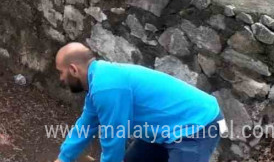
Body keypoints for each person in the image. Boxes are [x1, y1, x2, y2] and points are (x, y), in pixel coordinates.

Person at [54, 43, 224, 162]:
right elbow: (85, 126)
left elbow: (113, 134)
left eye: (61, 73)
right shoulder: (98, 84)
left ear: (73, 70)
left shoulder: (105, 86)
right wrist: (63, 158)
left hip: (198, 125)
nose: (61, 79)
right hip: (165, 130)